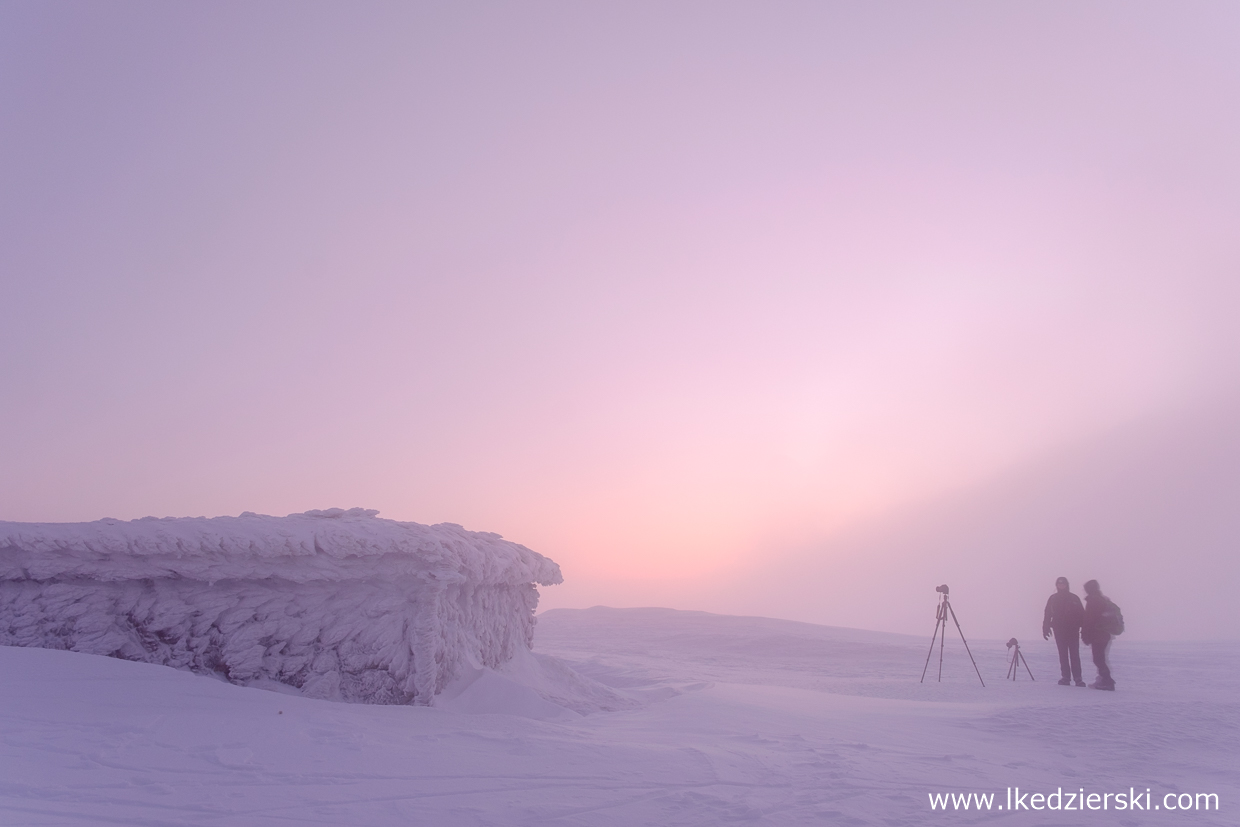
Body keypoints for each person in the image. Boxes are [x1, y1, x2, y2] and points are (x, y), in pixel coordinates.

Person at [1042, 577, 1085, 686]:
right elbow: (1047, 614)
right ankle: (1065, 677)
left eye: (1063, 583)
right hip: (1059, 630)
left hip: (1073, 630)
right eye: (1059, 584)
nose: (1061, 585)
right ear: (1056, 585)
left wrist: (1084, 629)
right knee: (1063, 654)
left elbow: (1082, 615)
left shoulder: (1074, 598)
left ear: (1067, 585)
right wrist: (1045, 627)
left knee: (1074, 654)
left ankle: (1078, 678)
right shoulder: (1053, 598)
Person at [1080, 579, 1116, 691]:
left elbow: (1089, 619)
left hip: (1098, 635)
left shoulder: (1093, 601)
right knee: (1100, 658)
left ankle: (1107, 681)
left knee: (1098, 659)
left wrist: (1084, 634)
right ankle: (1104, 680)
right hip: (1104, 634)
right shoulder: (1102, 599)